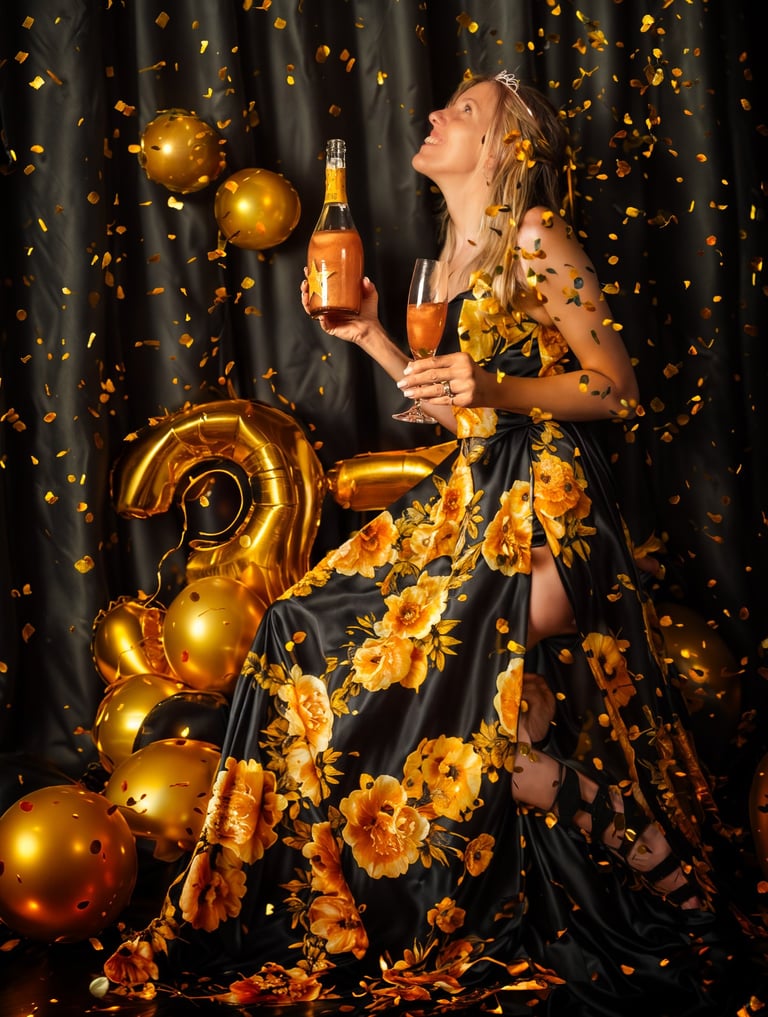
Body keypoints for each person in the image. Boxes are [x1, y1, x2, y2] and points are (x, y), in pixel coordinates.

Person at [102, 72, 762, 1016]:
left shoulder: (536, 234)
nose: (438, 115)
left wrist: (493, 386)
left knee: (425, 688)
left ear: (504, 148)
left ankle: (661, 865)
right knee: (358, 664)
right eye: (444, 103)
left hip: (547, 516)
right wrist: (373, 334)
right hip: (475, 495)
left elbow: (617, 389)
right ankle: (646, 851)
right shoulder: (452, 256)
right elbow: (459, 415)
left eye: (464, 111)